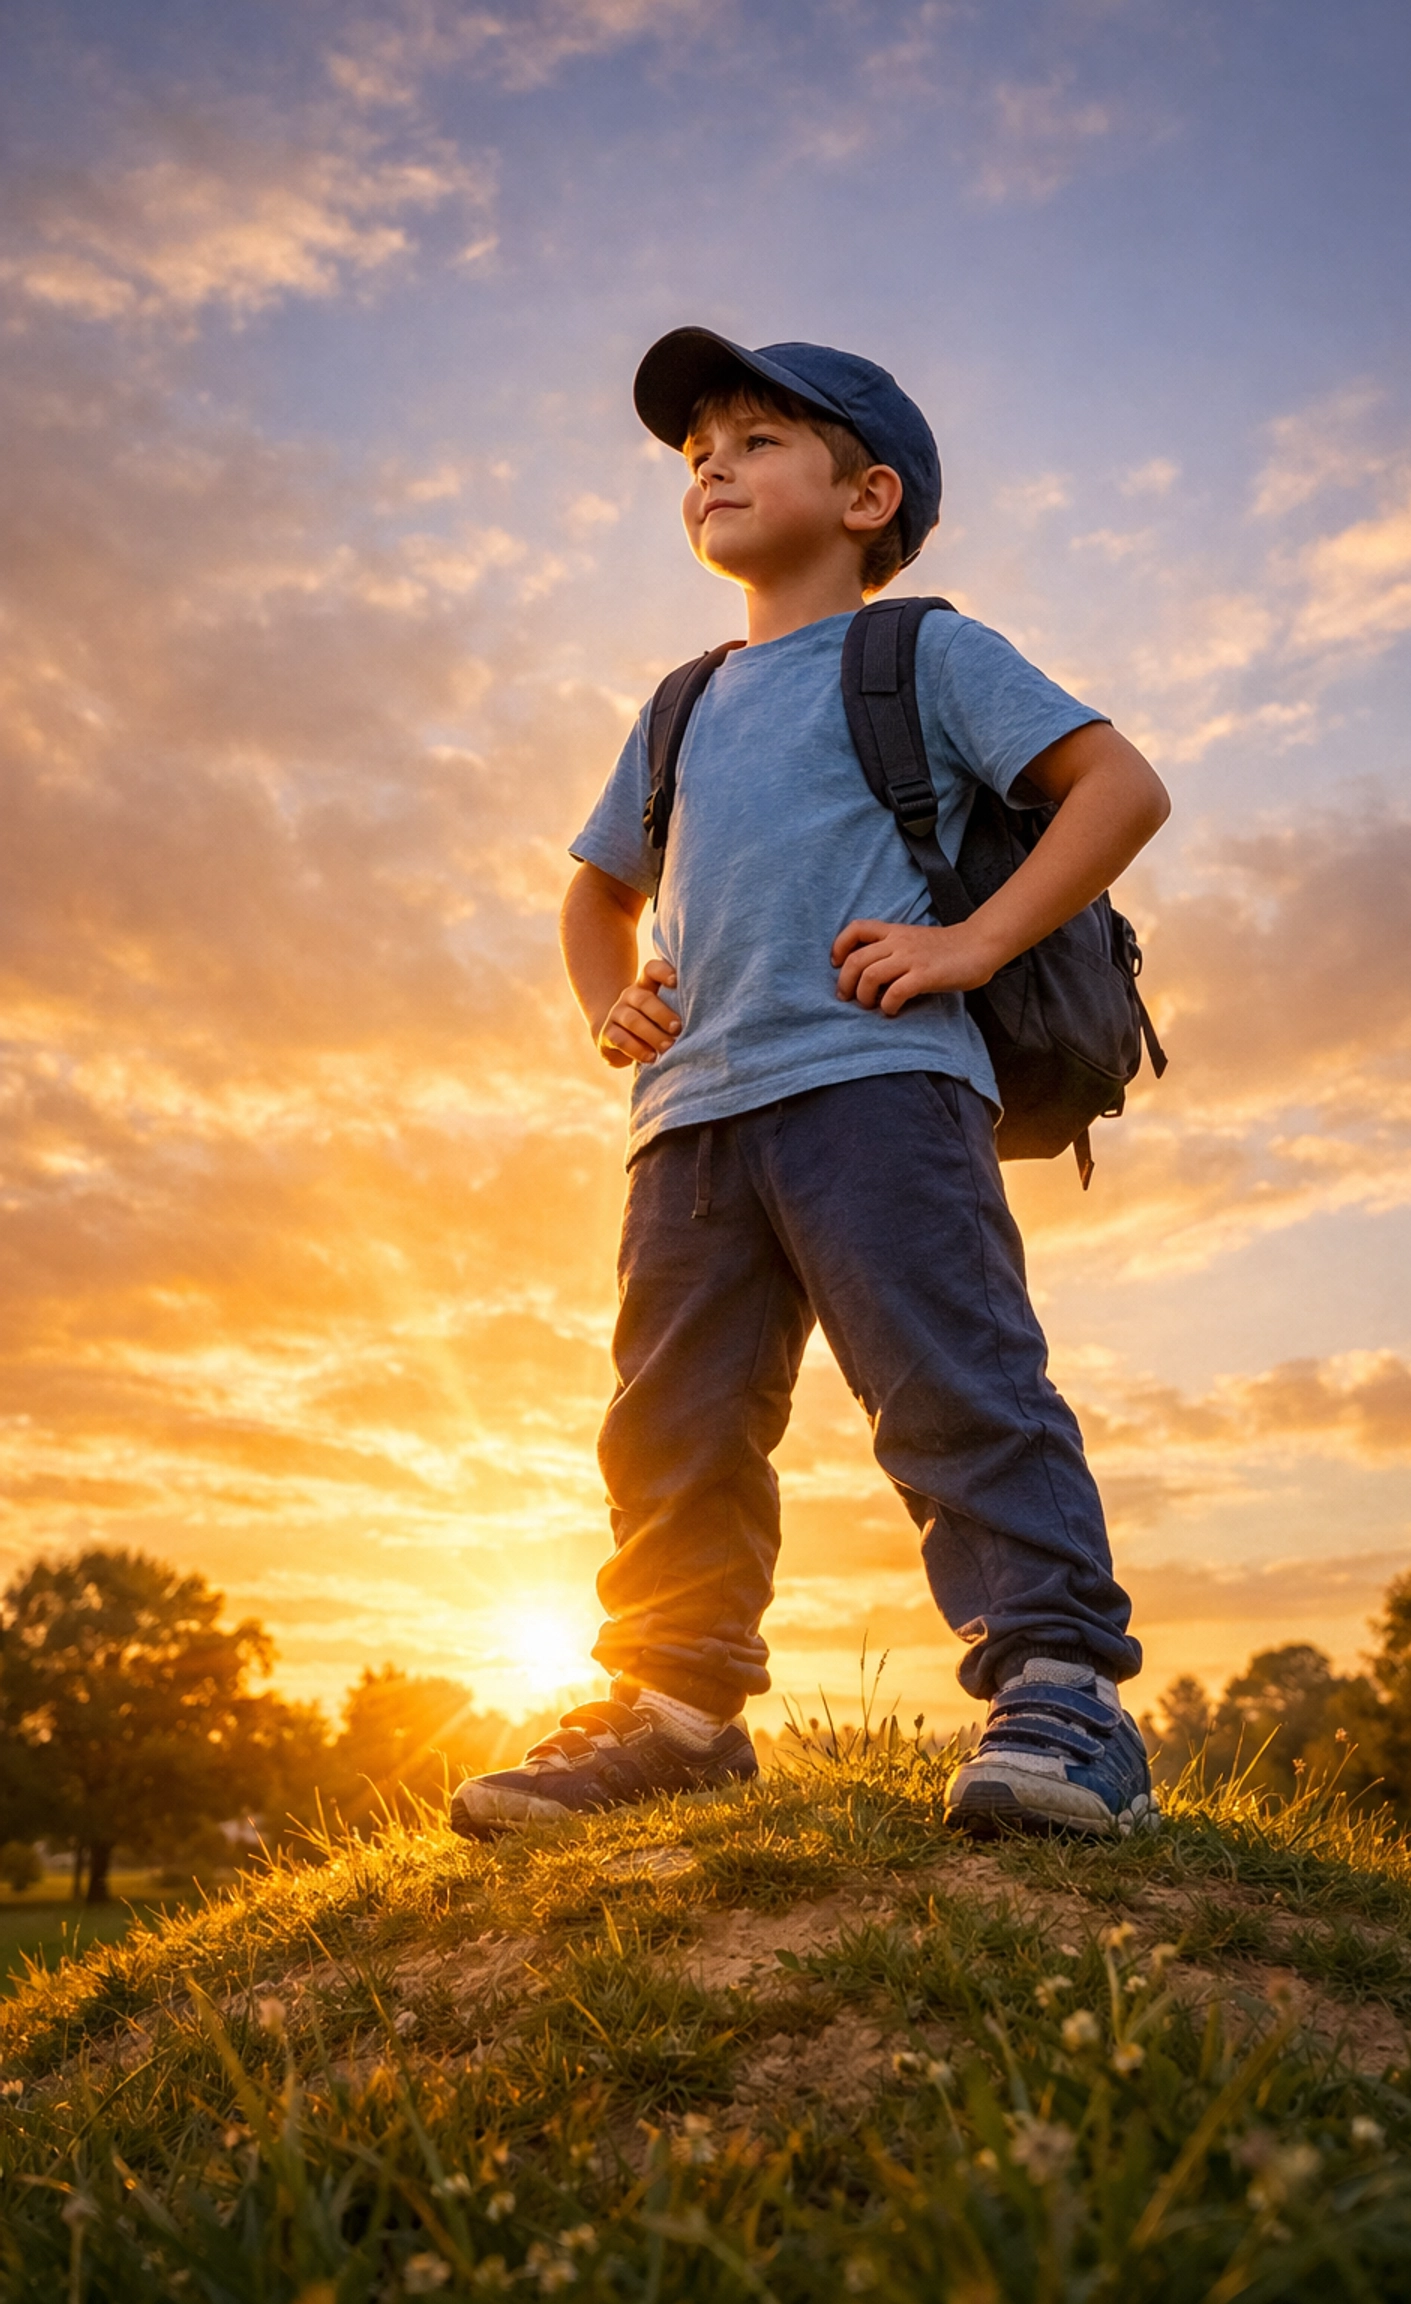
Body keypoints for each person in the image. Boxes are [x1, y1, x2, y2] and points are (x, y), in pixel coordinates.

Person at [451, 328, 1170, 1844]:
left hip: (880, 1084)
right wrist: (611, 1004)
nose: (711, 461)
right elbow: (594, 897)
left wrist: (969, 940)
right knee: (675, 1426)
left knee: (953, 1383)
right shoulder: (681, 703)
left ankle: (1061, 1690)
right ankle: (676, 1710)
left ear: (867, 496)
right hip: (690, 1121)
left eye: (759, 438)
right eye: (698, 445)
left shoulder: (925, 653)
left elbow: (1119, 786)